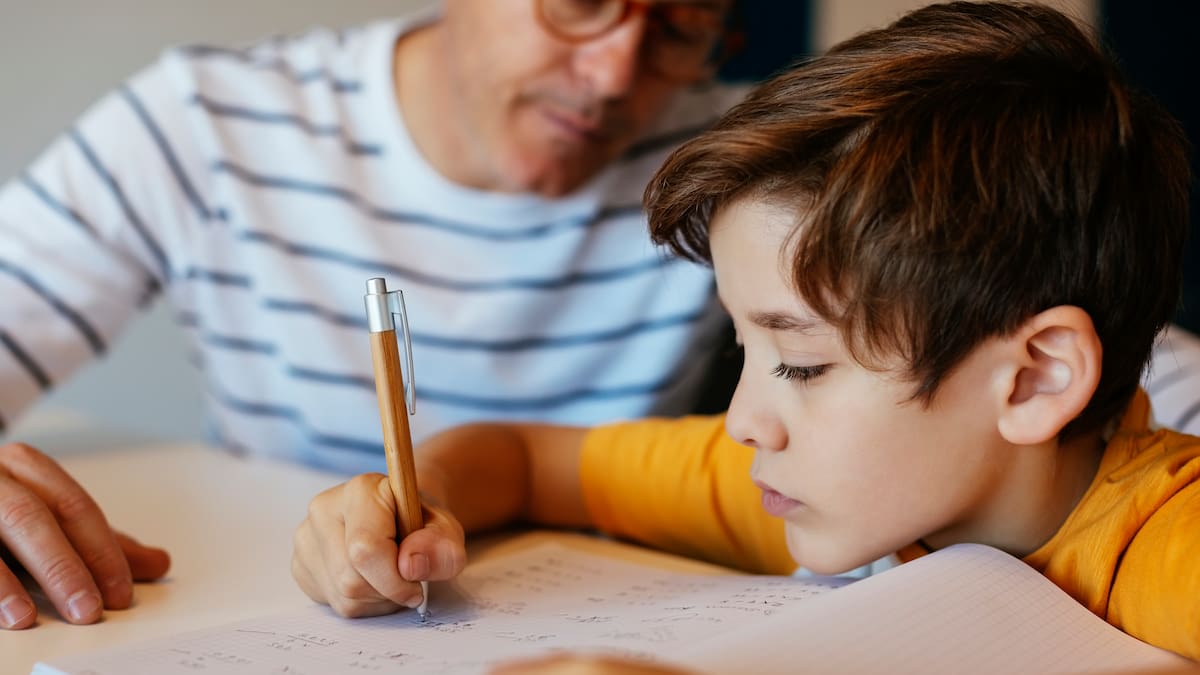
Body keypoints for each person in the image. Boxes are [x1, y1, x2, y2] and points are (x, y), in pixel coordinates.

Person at [291, 0, 1200, 664]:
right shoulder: (842, 488)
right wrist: (408, 504)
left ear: (1035, 378)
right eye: (746, 349)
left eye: (802, 363)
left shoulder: (1165, 543)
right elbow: (526, 458)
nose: (743, 421)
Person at [0, 0, 750, 630]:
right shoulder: (204, 122)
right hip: (262, 616)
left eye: (681, 27)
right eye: (582, 2)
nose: (614, 74)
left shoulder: (744, 164)